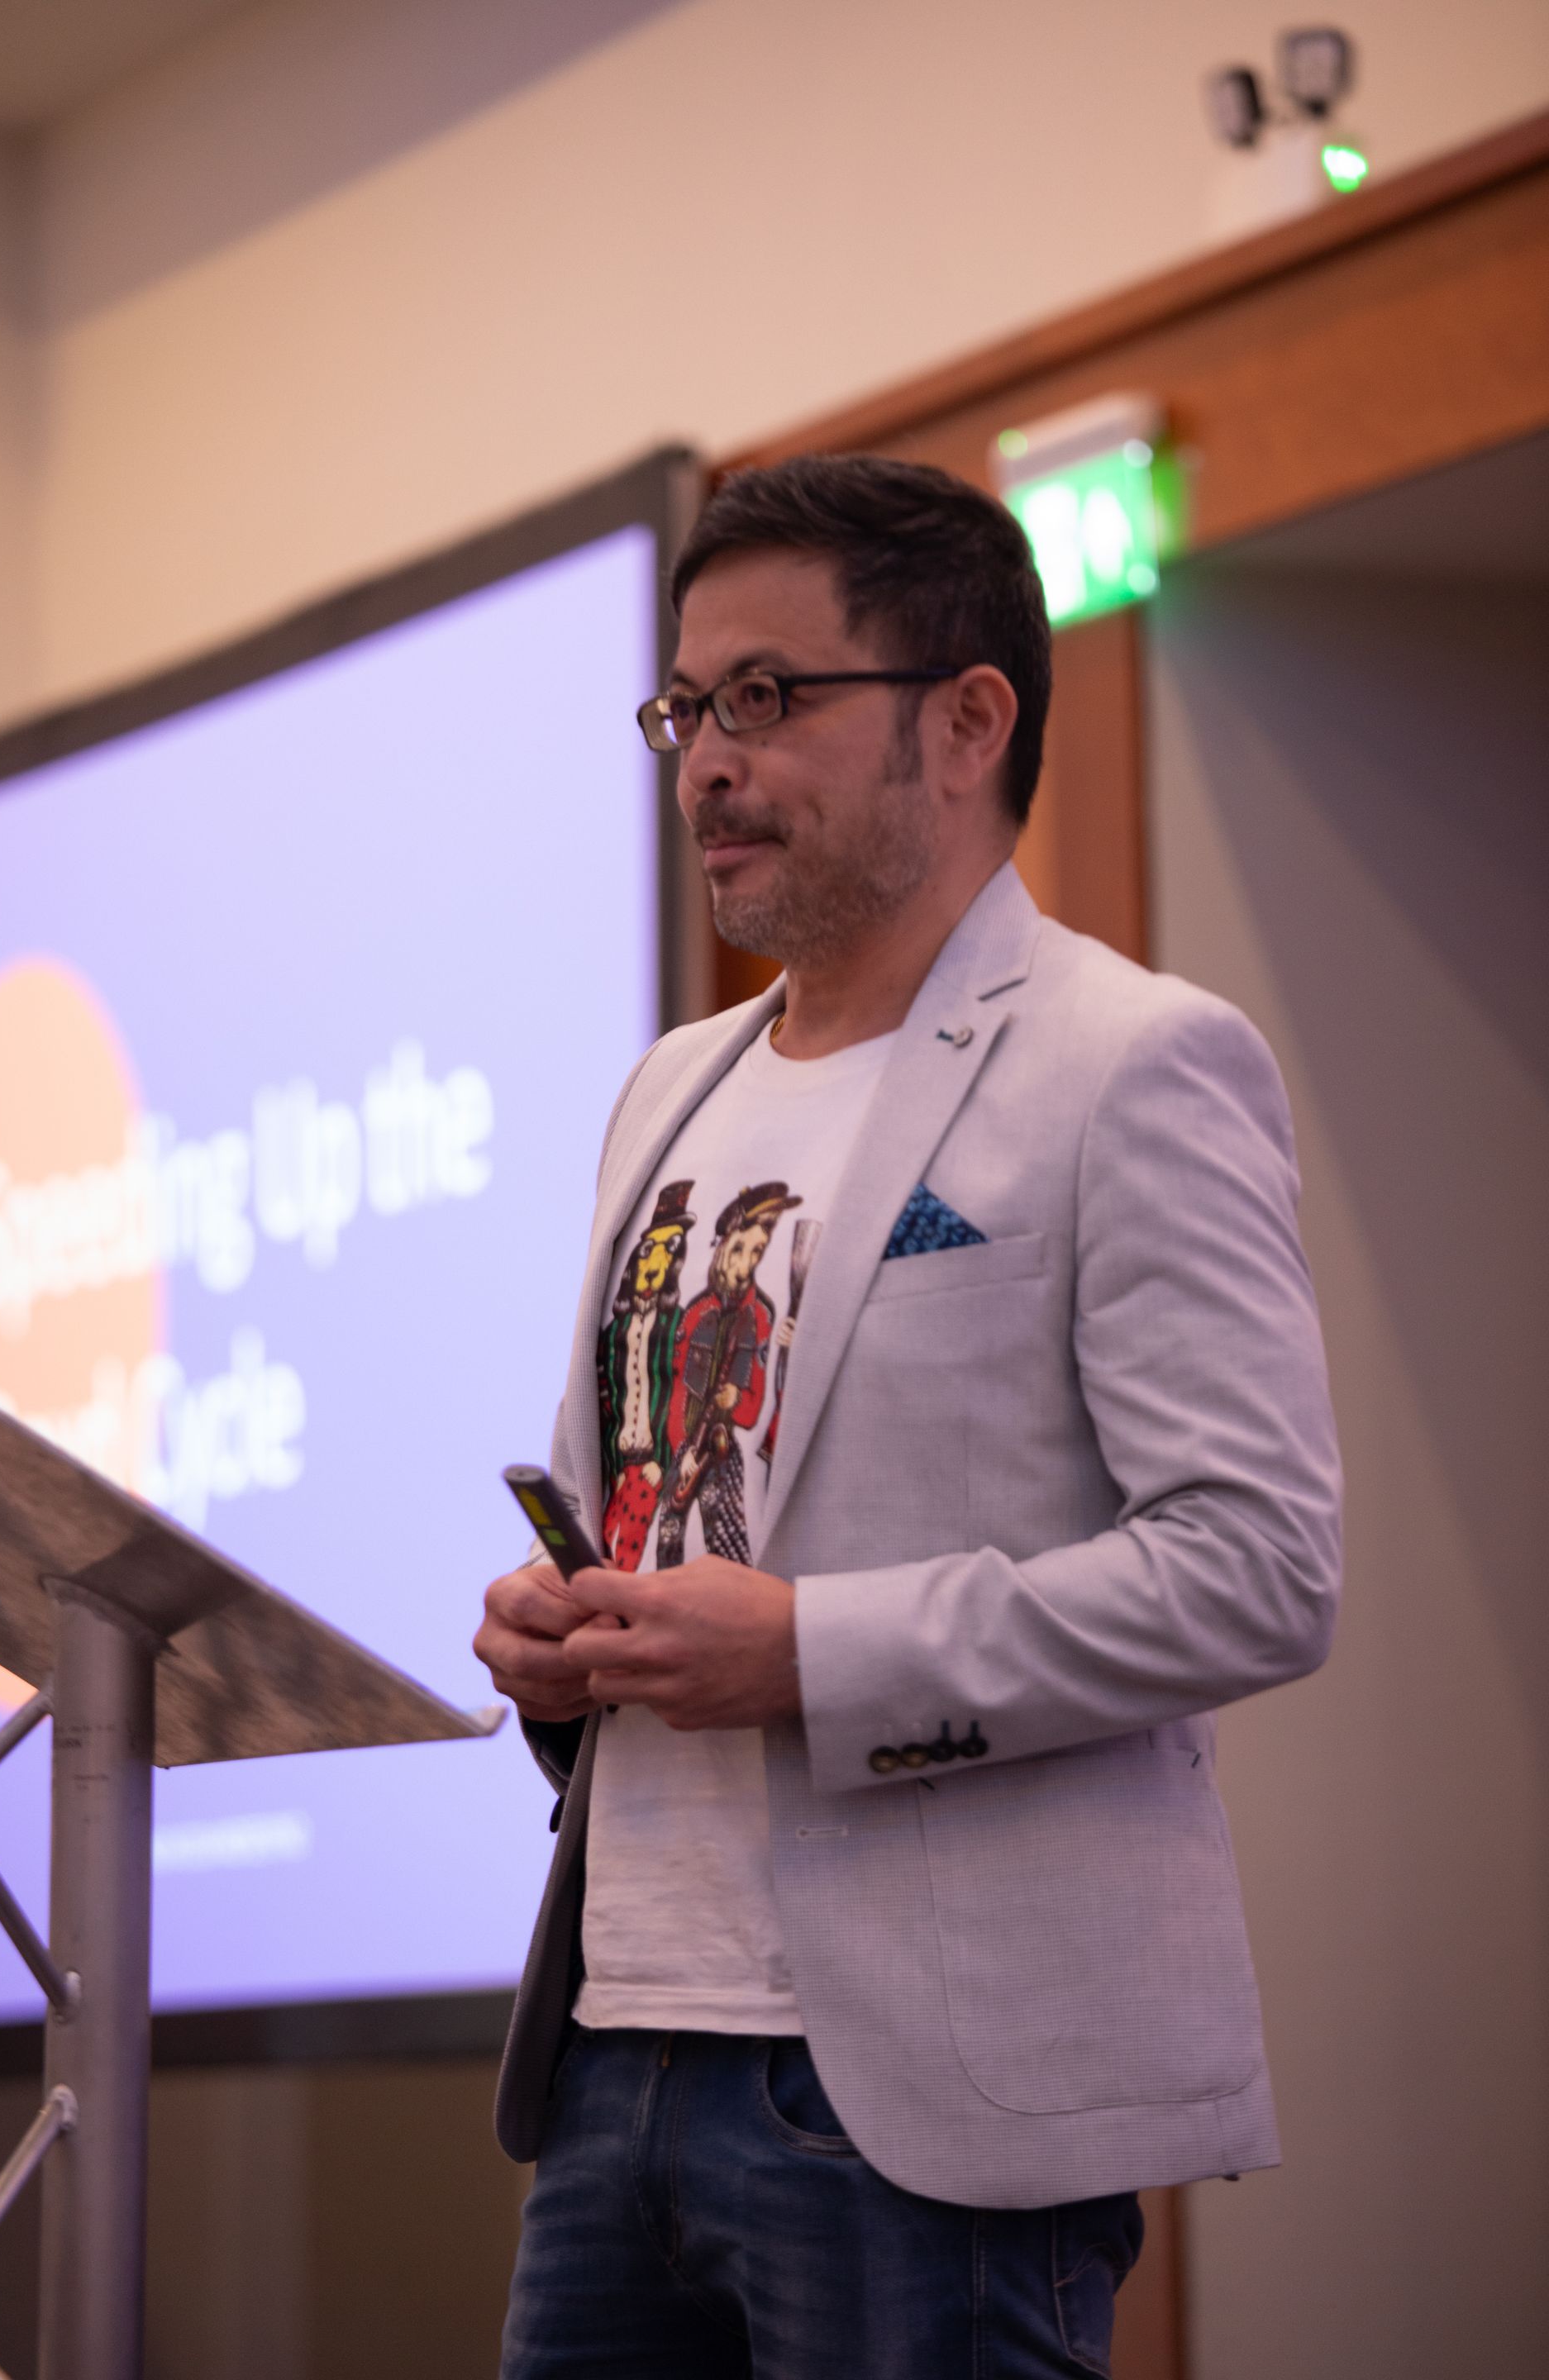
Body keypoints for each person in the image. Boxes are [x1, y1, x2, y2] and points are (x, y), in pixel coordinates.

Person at [474, 454, 1342, 2378]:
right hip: (621, 2052)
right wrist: (566, 1640)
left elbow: (1263, 1572)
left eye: (769, 698)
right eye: (687, 707)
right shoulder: (668, 1095)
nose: (704, 758)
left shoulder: (1132, 1064)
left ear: (965, 722)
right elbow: (646, 1521)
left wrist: (813, 1654)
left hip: (915, 2098)